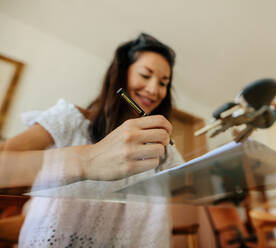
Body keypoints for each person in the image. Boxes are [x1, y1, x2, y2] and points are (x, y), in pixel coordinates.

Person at [0, 33, 184, 247]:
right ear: (120, 75)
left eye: (164, 82)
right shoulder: (69, 119)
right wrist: (88, 158)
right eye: (145, 75)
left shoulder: (163, 148)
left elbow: (191, 181)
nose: (154, 90)